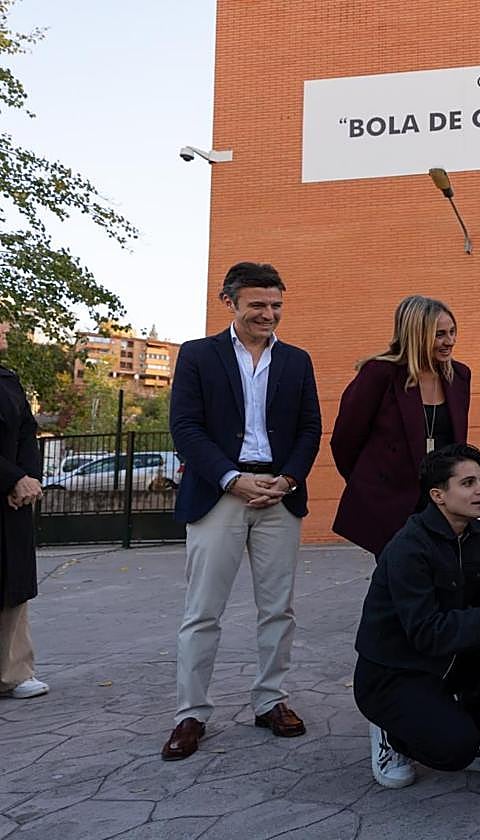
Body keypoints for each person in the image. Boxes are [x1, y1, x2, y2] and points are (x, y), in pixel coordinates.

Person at [164, 262, 322, 761]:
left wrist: (288, 478)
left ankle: (270, 700)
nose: (268, 314)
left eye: (276, 304)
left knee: (278, 609)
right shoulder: (197, 356)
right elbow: (185, 427)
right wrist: (232, 478)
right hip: (219, 493)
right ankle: (191, 714)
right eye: (258, 304)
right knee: (202, 611)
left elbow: (310, 429)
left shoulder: (297, 360)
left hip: (279, 494)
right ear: (229, 301)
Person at [354, 444, 480, 789]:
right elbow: (424, 632)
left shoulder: (474, 534)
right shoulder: (409, 548)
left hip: (446, 661)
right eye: (467, 483)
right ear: (438, 495)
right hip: (394, 674)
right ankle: (391, 730)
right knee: (453, 750)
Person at [331, 295, 469, 557]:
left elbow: (457, 444)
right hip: (391, 506)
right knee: (402, 584)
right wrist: (371, 485)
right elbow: (345, 440)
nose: (449, 341)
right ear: (416, 335)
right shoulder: (379, 374)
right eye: (439, 334)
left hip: (442, 504)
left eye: (452, 332)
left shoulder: (459, 376)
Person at [0, 322, 48, 701]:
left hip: (11, 501)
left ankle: (14, 672)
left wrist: (28, 479)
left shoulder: (8, 379)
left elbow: (26, 432)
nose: (5, 330)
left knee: (13, 585)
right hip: (7, 485)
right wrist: (12, 477)